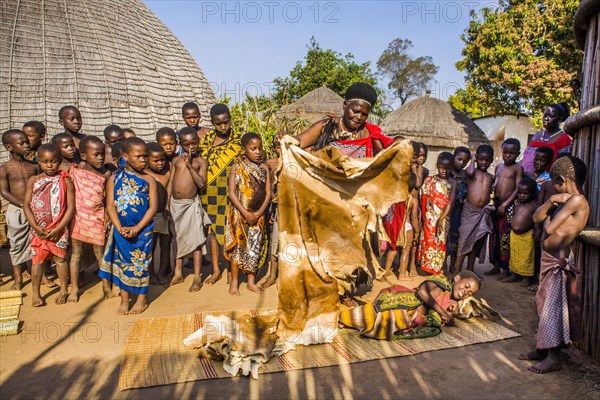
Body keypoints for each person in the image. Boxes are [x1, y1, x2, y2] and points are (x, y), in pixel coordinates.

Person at [519, 155, 589, 374]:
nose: (553, 188)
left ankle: (553, 356)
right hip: (548, 259)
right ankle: (543, 347)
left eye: (555, 183)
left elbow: (548, 228)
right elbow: (536, 218)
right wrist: (550, 201)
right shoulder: (562, 200)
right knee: (543, 305)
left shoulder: (578, 201)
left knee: (554, 310)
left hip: (559, 261)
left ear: (562, 179)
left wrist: (552, 209)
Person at [99, 137, 157, 314]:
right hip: (121, 230)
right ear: (125, 156)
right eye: (138, 156)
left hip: (142, 231)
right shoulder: (114, 179)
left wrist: (137, 228)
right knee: (123, 263)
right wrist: (119, 227)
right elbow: (110, 205)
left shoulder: (149, 180)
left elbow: (153, 207)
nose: (143, 160)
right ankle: (124, 299)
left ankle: (141, 298)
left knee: (142, 263)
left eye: (145, 156)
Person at [339, 271, 481, 340]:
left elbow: (439, 314)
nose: (466, 292)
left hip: (410, 315)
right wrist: (444, 314)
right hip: (401, 303)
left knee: (381, 324)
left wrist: (452, 311)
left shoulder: (450, 297)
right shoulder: (441, 281)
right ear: (457, 278)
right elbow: (423, 292)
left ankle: (349, 314)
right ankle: (342, 315)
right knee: (370, 318)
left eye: (470, 293)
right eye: (466, 286)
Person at [23, 144, 75, 306]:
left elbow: (71, 207)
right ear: (39, 162)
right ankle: (36, 293)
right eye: (45, 162)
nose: (49, 165)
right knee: (37, 261)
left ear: (59, 162)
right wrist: (36, 227)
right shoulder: (34, 180)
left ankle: (63, 290)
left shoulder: (65, 180)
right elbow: (26, 204)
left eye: (53, 161)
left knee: (60, 259)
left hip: (59, 228)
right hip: (37, 230)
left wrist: (59, 228)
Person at [286, 82, 394, 158]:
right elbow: (299, 141)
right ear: (345, 105)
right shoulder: (326, 126)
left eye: (364, 114)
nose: (359, 117)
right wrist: (284, 139)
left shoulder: (370, 133)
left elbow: (385, 156)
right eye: (355, 111)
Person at [199, 104, 243, 284]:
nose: (223, 127)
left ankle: (230, 267)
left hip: (231, 193)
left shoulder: (239, 141)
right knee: (213, 234)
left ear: (230, 120)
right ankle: (216, 270)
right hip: (208, 193)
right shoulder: (206, 140)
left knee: (230, 230)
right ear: (212, 123)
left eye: (226, 122)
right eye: (219, 124)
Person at [225, 132, 271, 295]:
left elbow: (268, 193)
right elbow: (232, 193)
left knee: (254, 247)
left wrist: (259, 212)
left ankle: (251, 282)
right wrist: (245, 212)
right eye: (253, 149)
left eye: (259, 148)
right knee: (238, 248)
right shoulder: (237, 167)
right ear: (244, 149)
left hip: (258, 216)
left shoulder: (264, 168)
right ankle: (235, 283)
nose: (258, 152)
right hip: (239, 215)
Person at [68, 136, 111, 302]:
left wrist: (107, 216)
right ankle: (74, 288)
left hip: (97, 218)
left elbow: (107, 198)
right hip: (78, 217)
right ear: (84, 156)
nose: (100, 158)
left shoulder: (105, 174)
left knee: (100, 253)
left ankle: (105, 285)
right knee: (76, 254)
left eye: (102, 154)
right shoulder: (75, 172)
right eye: (96, 154)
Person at [168, 128, 211, 292]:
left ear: (198, 142)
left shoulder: (201, 161)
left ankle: (197, 277)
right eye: (187, 144)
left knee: (197, 241)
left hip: (191, 204)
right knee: (177, 238)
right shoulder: (176, 161)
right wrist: (166, 205)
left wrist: (189, 166)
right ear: (181, 144)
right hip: (175, 205)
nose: (191, 147)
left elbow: (201, 184)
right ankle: (178, 273)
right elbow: (171, 183)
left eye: (194, 143)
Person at [1, 129, 38, 290]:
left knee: (36, 242)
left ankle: (39, 275)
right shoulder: (5, 168)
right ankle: (18, 279)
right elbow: (4, 191)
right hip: (16, 210)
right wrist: (23, 204)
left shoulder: (34, 166)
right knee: (16, 243)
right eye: (21, 143)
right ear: (9, 147)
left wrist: (32, 205)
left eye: (27, 142)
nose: (26, 145)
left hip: (35, 209)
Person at [487, 138, 523, 277]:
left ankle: (505, 269)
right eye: (505, 152)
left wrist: (505, 204)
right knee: (494, 236)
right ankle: (495, 265)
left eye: (512, 153)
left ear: (518, 154)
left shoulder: (517, 168)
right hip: (496, 205)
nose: (508, 155)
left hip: (508, 207)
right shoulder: (499, 167)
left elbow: (518, 189)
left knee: (505, 238)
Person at [456, 145, 495, 273]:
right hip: (469, 211)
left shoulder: (490, 177)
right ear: (477, 158)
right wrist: (472, 160)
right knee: (463, 241)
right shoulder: (472, 173)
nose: (484, 162)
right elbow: (470, 172)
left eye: (487, 160)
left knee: (475, 242)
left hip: (482, 212)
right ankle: (457, 271)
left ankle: (470, 270)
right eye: (481, 159)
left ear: (491, 160)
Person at [419, 152, 456, 274]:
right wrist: (424, 217)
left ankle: (440, 268)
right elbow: (424, 198)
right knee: (429, 241)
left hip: (444, 218)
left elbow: (451, 202)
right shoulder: (430, 180)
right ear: (437, 166)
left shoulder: (453, 183)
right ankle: (429, 268)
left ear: (452, 167)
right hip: (429, 218)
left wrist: (441, 219)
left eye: (447, 168)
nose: (444, 171)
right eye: (441, 167)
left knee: (441, 243)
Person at [145, 142, 172, 286]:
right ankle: (151, 273)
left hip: (164, 214)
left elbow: (168, 192)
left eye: (162, 159)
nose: (160, 163)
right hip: (150, 216)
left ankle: (162, 272)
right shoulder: (145, 175)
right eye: (156, 160)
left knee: (166, 244)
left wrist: (167, 207)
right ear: (147, 160)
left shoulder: (167, 173)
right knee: (151, 246)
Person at [502, 178, 538, 286]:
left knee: (527, 257)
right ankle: (514, 274)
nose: (522, 196)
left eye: (525, 194)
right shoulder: (516, 203)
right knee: (514, 255)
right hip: (514, 235)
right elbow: (512, 215)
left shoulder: (533, 205)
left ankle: (527, 277)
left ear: (532, 194)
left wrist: (537, 230)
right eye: (520, 193)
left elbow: (536, 219)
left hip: (527, 235)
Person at [521, 103, 572, 174]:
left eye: (551, 116)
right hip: (527, 179)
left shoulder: (564, 139)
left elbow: (562, 166)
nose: (546, 119)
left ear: (560, 119)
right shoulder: (536, 136)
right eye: (545, 115)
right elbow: (526, 160)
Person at [261, 137, 282, 289]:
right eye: (277, 146)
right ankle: (272, 275)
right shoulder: (271, 164)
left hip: (294, 210)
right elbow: (268, 189)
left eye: (283, 146)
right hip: (278, 209)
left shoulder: (297, 162)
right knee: (274, 245)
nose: (280, 149)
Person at [447, 146, 471, 273]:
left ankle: (453, 265)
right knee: (445, 237)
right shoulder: (446, 171)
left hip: (460, 211)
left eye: (465, 161)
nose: (461, 163)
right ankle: (442, 265)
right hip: (447, 210)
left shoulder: (465, 175)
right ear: (453, 157)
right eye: (459, 159)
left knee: (456, 237)